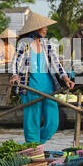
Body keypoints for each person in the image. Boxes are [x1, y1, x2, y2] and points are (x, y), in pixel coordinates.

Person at [9, 12, 75, 144]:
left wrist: (66, 79)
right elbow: (15, 62)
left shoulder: (48, 44)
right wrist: (15, 75)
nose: (46, 29)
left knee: (53, 122)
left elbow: (56, 63)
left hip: (48, 88)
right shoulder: (24, 44)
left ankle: (37, 144)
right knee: (32, 121)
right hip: (30, 88)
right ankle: (33, 146)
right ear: (35, 30)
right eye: (43, 27)